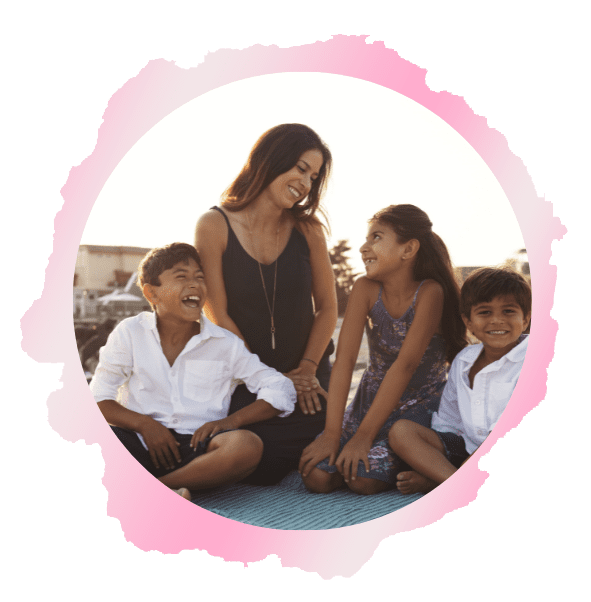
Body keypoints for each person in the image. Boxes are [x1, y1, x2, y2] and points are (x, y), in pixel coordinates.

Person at [90, 243, 296, 499]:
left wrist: (230, 422)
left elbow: (280, 387)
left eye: (200, 277)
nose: (195, 284)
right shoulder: (130, 332)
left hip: (197, 449)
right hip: (137, 441)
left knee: (246, 446)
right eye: (181, 277)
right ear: (151, 293)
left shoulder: (226, 343)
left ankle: (156, 489)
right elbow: (99, 396)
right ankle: (165, 491)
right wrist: (144, 425)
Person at [194, 124, 338, 486]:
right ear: (271, 160)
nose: (306, 183)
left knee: (309, 454)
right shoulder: (214, 224)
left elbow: (328, 309)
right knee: (242, 445)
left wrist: (306, 370)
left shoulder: (309, 230)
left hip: (307, 385)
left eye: (314, 176)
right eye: (300, 168)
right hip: (246, 381)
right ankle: (173, 487)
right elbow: (217, 313)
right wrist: (265, 377)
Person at [299, 204, 467, 495]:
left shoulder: (430, 292)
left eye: (376, 237)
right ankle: (408, 465)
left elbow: (405, 366)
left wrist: (363, 437)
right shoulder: (364, 288)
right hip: (369, 399)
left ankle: (427, 470)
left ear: (408, 249)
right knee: (317, 476)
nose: (364, 248)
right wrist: (332, 433)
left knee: (363, 479)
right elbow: (345, 361)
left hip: (415, 408)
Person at [389, 267, 531, 494]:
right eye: (484, 312)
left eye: (508, 311)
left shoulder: (536, 361)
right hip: (468, 447)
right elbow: (449, 419)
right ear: (469, 322)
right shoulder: (464, 360)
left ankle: (445, 483)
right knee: (401, 431)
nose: (496, 320)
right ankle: (457, 483)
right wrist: (444, 455)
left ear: (525, 320)